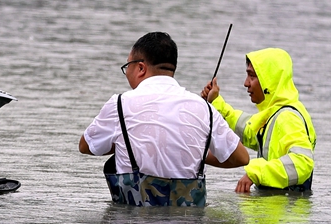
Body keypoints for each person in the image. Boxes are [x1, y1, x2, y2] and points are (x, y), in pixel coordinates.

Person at [80, 32, 249, 206]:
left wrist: (128, 141)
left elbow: (86, 146)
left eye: (127, 66)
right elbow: (241, 158)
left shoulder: (120, 104)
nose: (126, 72)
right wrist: (192, 148)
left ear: (140, 68)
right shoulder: (204, 108)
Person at [201, 48, 315, 193]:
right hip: (278, 209)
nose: (246, 83)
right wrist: (215, 103)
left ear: (269, 80)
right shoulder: (275, 114)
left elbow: (303, 162)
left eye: (252, 76)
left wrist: (256, 173)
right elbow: (249, 131)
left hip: (286, 212)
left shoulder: (287, 117)